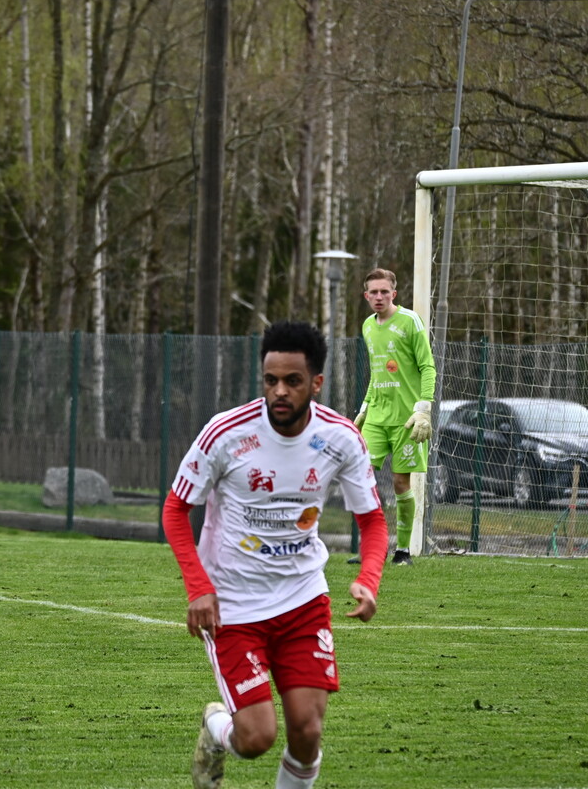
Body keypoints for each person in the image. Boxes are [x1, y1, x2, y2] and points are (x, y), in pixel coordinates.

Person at [162, 320, 388, 789]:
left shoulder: (341, 438)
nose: (279, 391)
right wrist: (199, 588)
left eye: (292, 381)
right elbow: (176, 509)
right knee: (256, 737)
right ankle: (216, 729)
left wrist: (369, 579)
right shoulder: (226, 433)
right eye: (271, 380)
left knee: (307, 731)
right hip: (233, 606)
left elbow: (372, 521)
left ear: (316, 383)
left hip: (303, 599)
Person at [351, 267, 436, 566]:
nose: (379, 297)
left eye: (384, 292)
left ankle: (402, 551)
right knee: (360, 476)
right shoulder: (367, 326)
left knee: (401, 482)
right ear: (366, 296)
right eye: (373, 292)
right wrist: (364, 409)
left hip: (406, 419)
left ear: (394, 294)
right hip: (376, 416)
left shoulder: (410, 320)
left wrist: (423, 408)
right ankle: (373, 546)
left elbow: (427, 366)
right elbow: (377, 374)